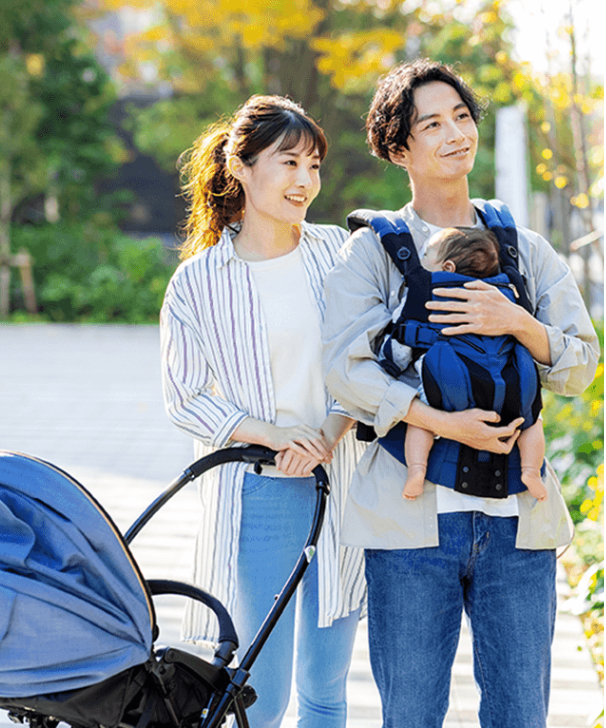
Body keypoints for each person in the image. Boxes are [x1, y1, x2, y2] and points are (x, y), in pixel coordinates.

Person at [321, 59, 599, 727]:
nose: (455, 135)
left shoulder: (524, 247)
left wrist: (519, 324)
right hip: (411, 526)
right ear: (398, 147)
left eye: (463, 117)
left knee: (519, 716)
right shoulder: (374, 252)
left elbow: (580, 364)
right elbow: (343, 369)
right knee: (411, 715)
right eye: (432, 124)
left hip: (517, 528)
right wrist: (441, 423)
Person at [160, 95, 365, 728]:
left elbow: (366, 353)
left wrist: (329, 433)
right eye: (288, 163)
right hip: (259, 494)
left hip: (343, 482)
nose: (305, 181)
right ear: (242, 167)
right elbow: (186, 394)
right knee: (260, 695)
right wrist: (275, 437)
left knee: (326, 688)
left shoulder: (339, 253)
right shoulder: (199, 280)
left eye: (314, 165)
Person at [398, 226, 547, 501]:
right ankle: (531, 472)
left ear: (447, 266)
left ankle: (416, 471)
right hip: (510, 384)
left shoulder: (430, 291)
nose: (422, 257)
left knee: (421, 419)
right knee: (533, 421)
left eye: (427, 253)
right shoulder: (507, 292)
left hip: (451, 387)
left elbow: (403, 334)